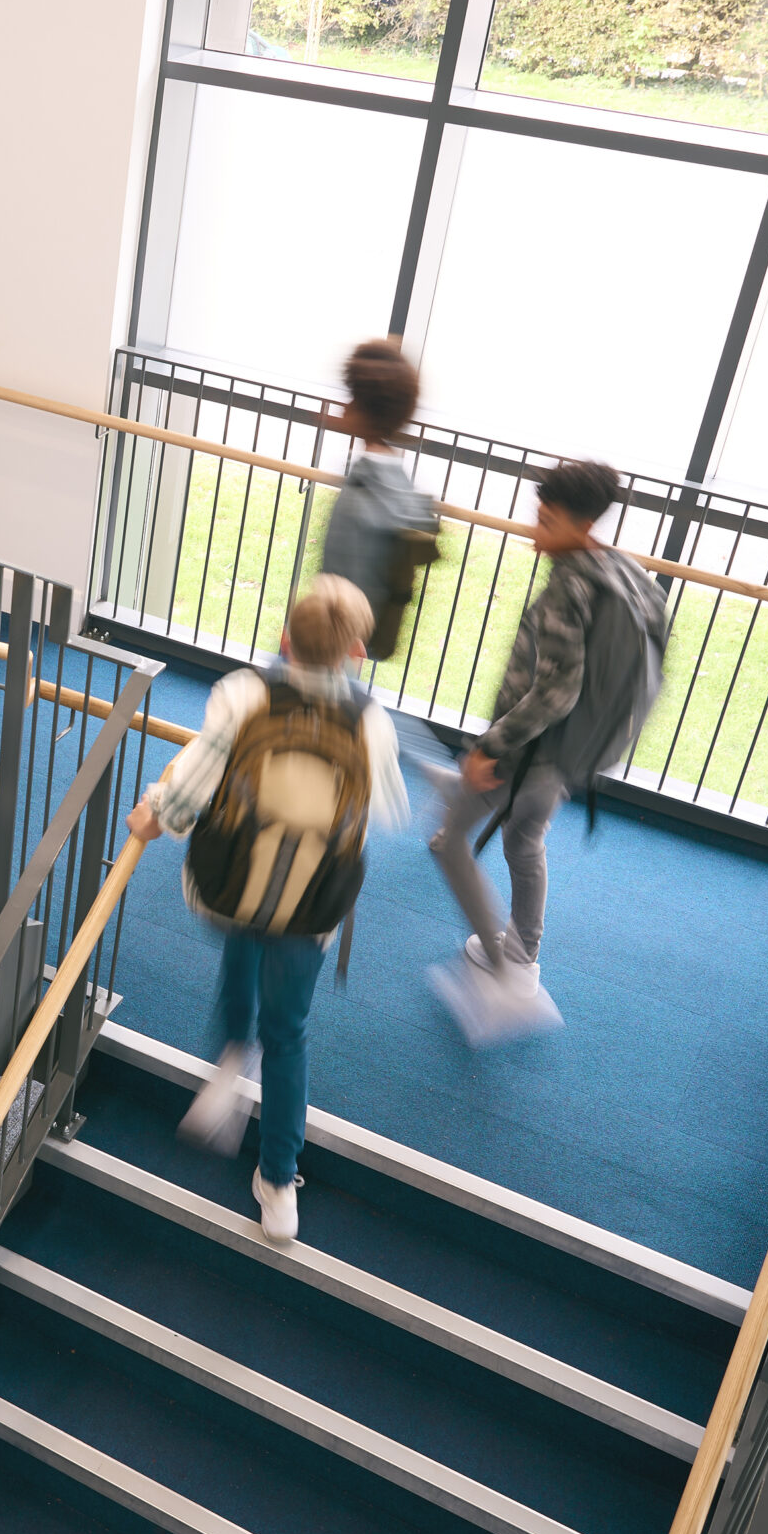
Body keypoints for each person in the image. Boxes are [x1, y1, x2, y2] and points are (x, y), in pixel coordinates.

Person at [126, 577, 406, 1243]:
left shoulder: (244, 694)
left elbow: (194, 779)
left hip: (233, 884)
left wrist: (155, 815)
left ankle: (229, 1055)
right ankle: (278, 1181)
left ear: (284, 639)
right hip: (309, 906)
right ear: (357, 652)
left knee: (241, 946)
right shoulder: (371, 723)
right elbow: (382, 811)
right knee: (291, 1031)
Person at [425, 457, 660, 1044]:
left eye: (545, 521)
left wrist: (489, 747)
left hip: (525, 752)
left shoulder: (568, 588)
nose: (534, 534)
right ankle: (523, 956)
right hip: (568, 757)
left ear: (577, 526)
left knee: (448, 842)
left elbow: (555, 690)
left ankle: (506, 984)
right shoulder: (624, 574)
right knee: (524, 837)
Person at [317, 339, 439, 662]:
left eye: (351, 398)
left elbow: (340, 589)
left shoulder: (362, 496)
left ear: (361, 408)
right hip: (356, 644)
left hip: (331, 646)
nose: (343, 408)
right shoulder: (400, 489)